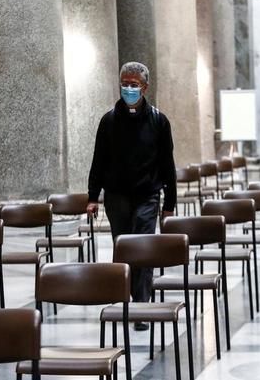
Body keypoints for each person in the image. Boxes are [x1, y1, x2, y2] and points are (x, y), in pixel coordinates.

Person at [87, 61, 177, 330]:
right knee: (123, 248)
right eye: (124, 83)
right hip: (116, 197)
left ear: (145, 88)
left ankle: (140, 306)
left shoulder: (159, 121)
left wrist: (169, 204)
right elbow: (98, 161)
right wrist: (93, 196)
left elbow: (167, 165)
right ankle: (127, 300)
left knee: (143, 248)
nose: (128, 88)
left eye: (133, 85)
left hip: (148, 195)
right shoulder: (109, 120)